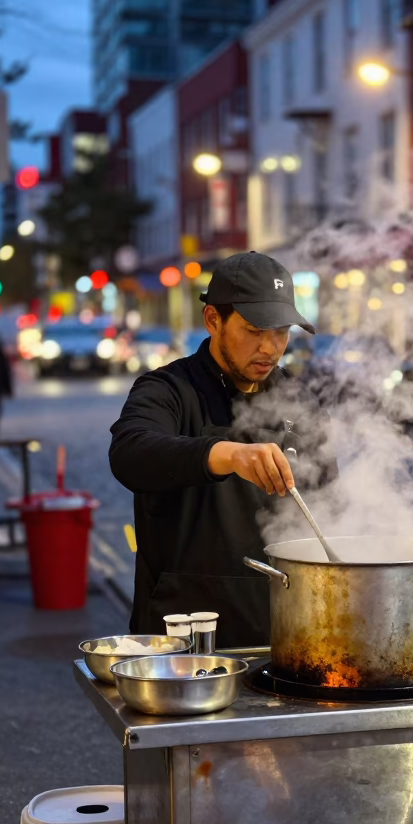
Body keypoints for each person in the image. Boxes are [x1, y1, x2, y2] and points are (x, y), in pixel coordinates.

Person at [109, 251, 323, 646]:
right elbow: (130, 453)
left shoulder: (297, 398)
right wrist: (227, 454)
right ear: (213, 321)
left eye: (281, 331)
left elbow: (330, 500)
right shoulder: (168, 389)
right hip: (182, 635)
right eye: (254, 330)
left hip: (283, 628)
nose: (270, 348)